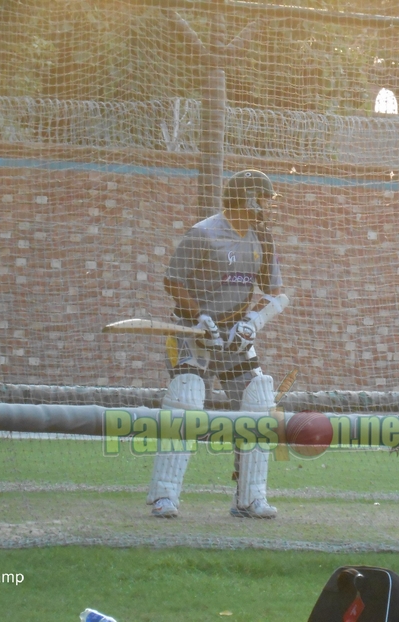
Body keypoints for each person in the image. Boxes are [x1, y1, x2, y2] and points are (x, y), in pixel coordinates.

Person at [147, 169, 286, 519]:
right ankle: (164, 496)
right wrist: (201, 319)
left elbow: (274, 294)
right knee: (187, 397)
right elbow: (173, 281)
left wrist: (252, 323)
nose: (266, 209)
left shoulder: (263, 239)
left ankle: (250, 497)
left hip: (233, 336)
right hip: (192, 332)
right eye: (263, 201)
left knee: (259, 399)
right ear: (249, 199)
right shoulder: (203, 233)